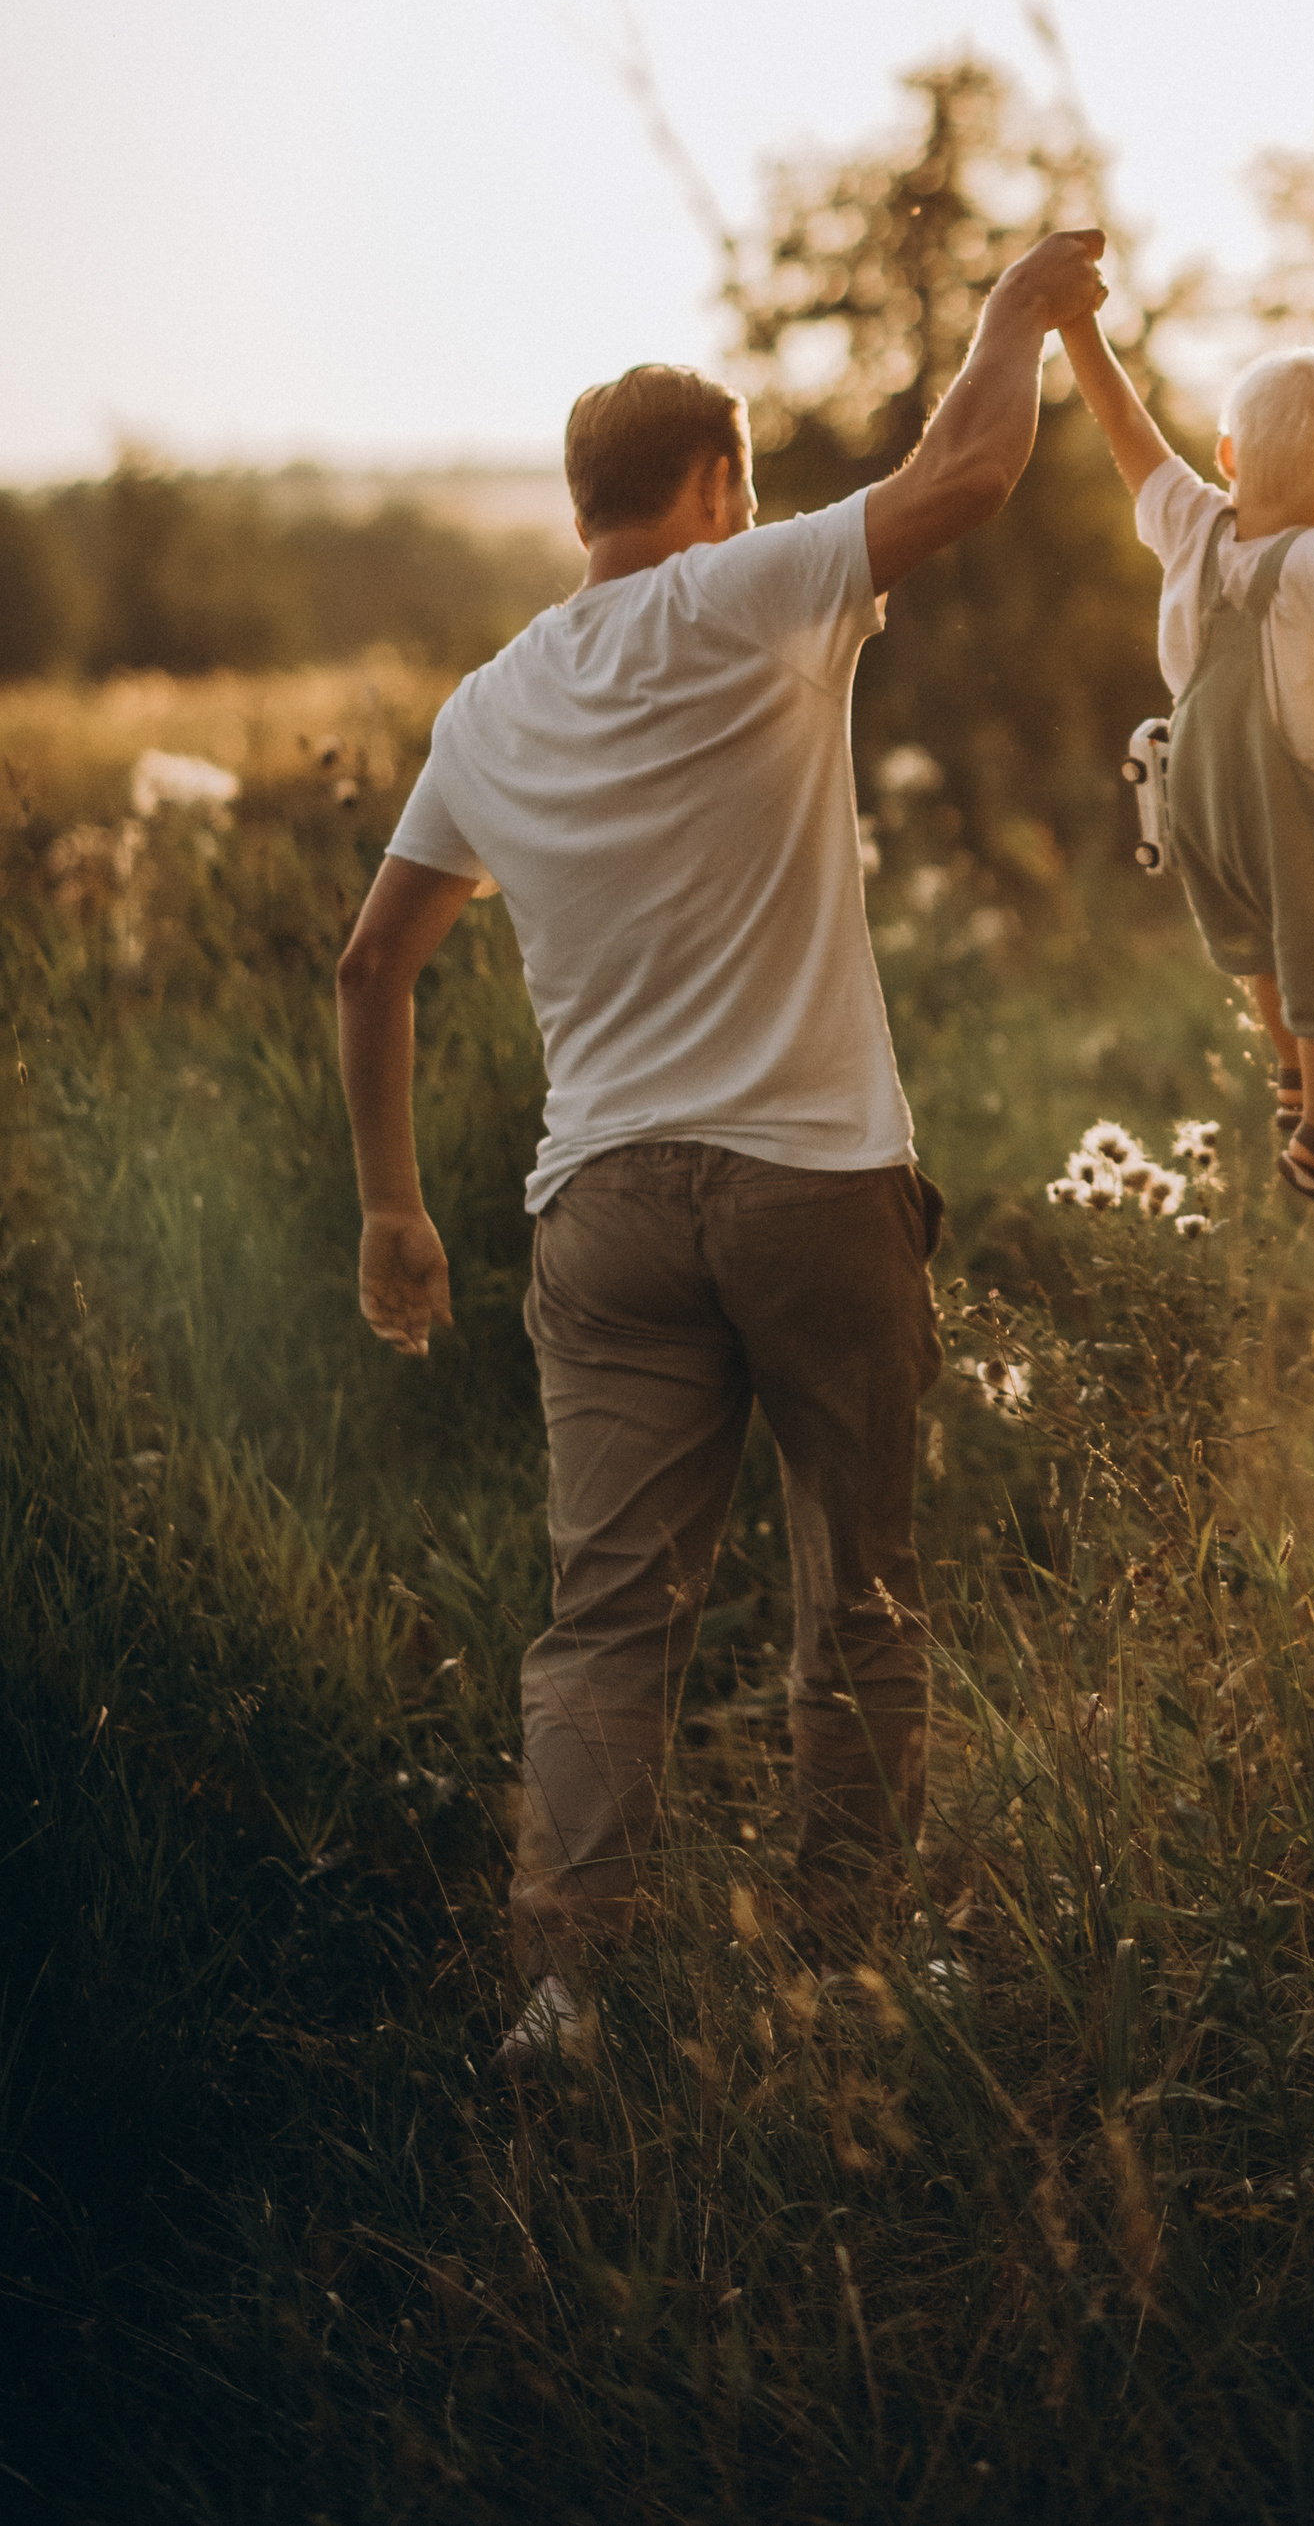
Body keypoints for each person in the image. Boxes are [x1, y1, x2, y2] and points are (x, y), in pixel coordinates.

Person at [334, 229, 1107, 2076]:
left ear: (577, 504)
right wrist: (1014, 312)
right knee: (861, 1586)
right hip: (812, 1183)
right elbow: (970, 472)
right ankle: (838, 1964)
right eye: (741, 487)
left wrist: (392, 1206)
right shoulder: (748, 590)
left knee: (607, 1617)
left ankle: (563, 1994)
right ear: (710, 486)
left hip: (602, 1205)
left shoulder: (488, 704)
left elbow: (372, 962)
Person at [1059, 313, 1314, 1220]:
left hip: (1205, 802)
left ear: (1227, 457)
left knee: (1259, 938)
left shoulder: (1189, 524)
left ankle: (1294, 1071)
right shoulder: (1310, 570)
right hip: (1298, 809)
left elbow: (1126, 426)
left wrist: (1078, 327)